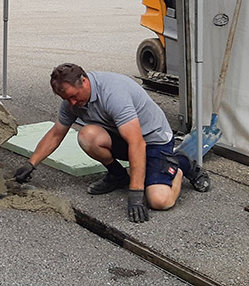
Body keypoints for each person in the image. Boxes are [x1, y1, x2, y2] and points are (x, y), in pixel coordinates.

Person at [12, 63, 203, 222]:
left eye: (73, 96)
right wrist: (31, 164)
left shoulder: (113, 94)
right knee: (88, 136)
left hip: (152, 141)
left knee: (159, 201)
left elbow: (137, 143)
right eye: (65, 99)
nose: (70, 103)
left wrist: (136, 194)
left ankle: (180, 165)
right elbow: (56, 134)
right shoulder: (72, 101)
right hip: (124, 138)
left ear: (84, 82)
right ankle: (118, 176)